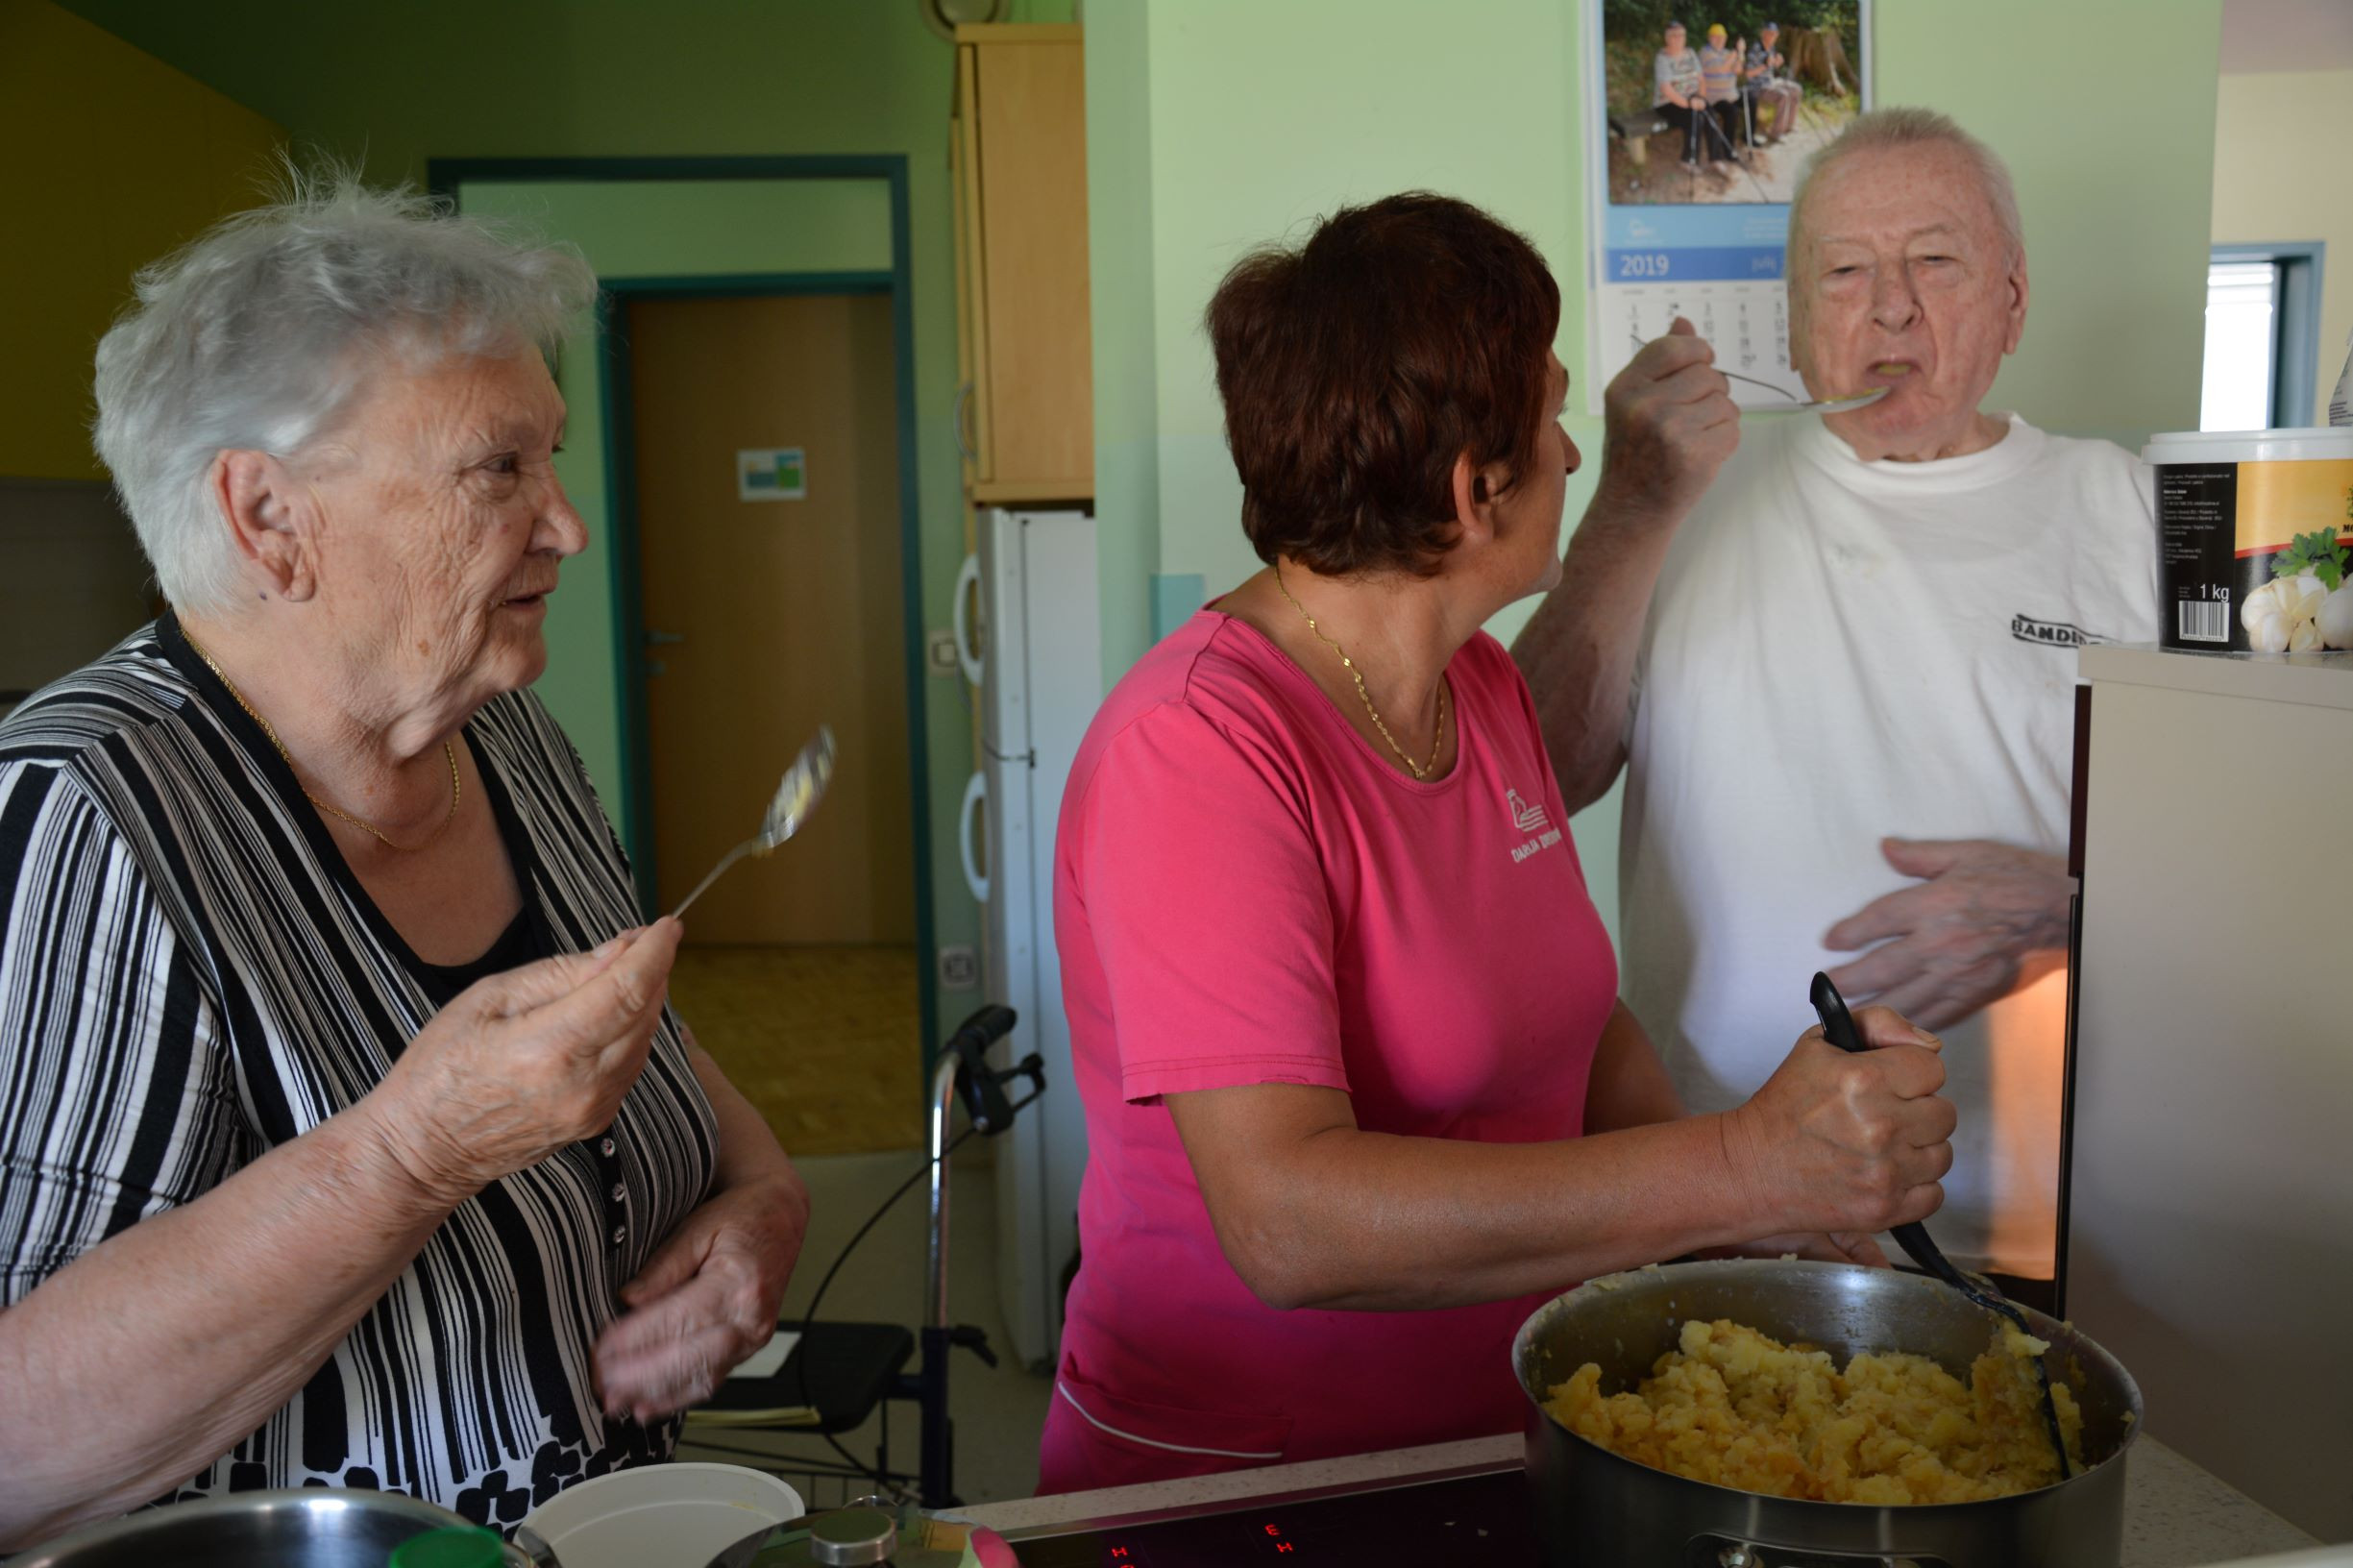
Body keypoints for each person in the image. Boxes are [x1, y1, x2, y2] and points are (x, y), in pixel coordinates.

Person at [1041, 192, 1955, 1494]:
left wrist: (1766, 1233)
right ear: (1478, 489)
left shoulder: (1473, 693)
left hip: (1501, 1436)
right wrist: (1747, 1168)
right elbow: (1286, 1224)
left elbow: (1576, 1030)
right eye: (1553, 416)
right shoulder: (1196, 749)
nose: (1573, 456)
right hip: (1249, 1484)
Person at [0, 177, 809, 1540]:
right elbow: (20, 1437)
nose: (566, 525)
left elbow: (614, 1035)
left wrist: (764, 1194)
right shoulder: (87, 815)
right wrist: (413, 1150)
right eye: (499, 468)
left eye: (551, 457)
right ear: (268, 519)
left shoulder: (511, 740)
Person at [1513, 110, 2158, 1303]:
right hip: (1717, 1201)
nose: (1891, 308)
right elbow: (1535, 781)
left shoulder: (2132, 514)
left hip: (2042, 1224)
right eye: (1846, 272)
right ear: (1797, 319)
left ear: (2013, 303)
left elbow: (2262, 866)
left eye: (1935, 262)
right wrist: (1626, 509)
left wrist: (2074, 905)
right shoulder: (1678, 489)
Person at [1652, 21, 1713, 167]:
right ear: (1667, 38)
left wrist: (1701, 97)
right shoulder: (1662, 58)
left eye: (1681, 35)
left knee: (1710, 114)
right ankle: (1688, 160)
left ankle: (1716, 158)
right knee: (1695, 119)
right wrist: (1689, 104)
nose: (1679, 38)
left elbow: (1701, 79)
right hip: (1667, 102)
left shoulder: (1691, 53)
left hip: (1692, 96)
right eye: (1674, 35)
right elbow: (1667, 89)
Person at [1745, 22, 1804, 145]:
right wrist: (1766, 64)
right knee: (1783, 95)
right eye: (1770, 34)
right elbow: (1749, 74)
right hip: (1758, 86)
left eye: (1775, 35)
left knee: (1796, 89)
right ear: (1763, 34)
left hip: (1771, 82)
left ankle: (1789, 125)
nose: (1772, 37)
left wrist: (1777, 63)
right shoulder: (1755, 49)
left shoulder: (1771, 48)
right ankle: (1776, 133)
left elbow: (1771, 68)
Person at [1698, 24, 1747, 159]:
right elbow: (1720, 69)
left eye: (1722, 37)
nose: (1719, 39)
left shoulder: (1726, 53)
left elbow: (1738, 70)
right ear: (1709, 38)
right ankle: (1728, 149)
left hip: (1730, 93)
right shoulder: (1705, 52)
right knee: (1732, 111)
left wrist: (1741, 53)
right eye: (1716, 37)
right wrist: (1734, 54)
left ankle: (1749, 138)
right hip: (1714, 97)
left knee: (1751, 98)